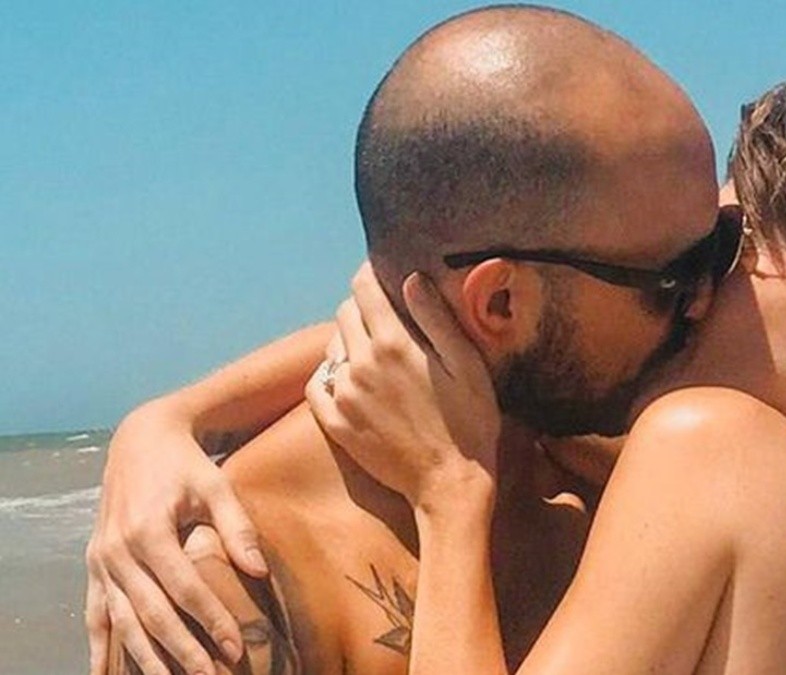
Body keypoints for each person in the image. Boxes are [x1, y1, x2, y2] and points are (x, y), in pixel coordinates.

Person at [89, 23, 786, 675]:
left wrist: (451, 496)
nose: (701, 295)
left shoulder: (702, 448)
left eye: (730, 257)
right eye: (681, 268)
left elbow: (480, 339)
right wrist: (169, 419)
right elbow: (453, 344)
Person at [89, 5, 733, 674]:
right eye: (674, 277)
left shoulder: (615, 465)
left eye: (724, 243)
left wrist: (173, 415)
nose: (707, 298)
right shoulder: (217, 589)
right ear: (501, 302)